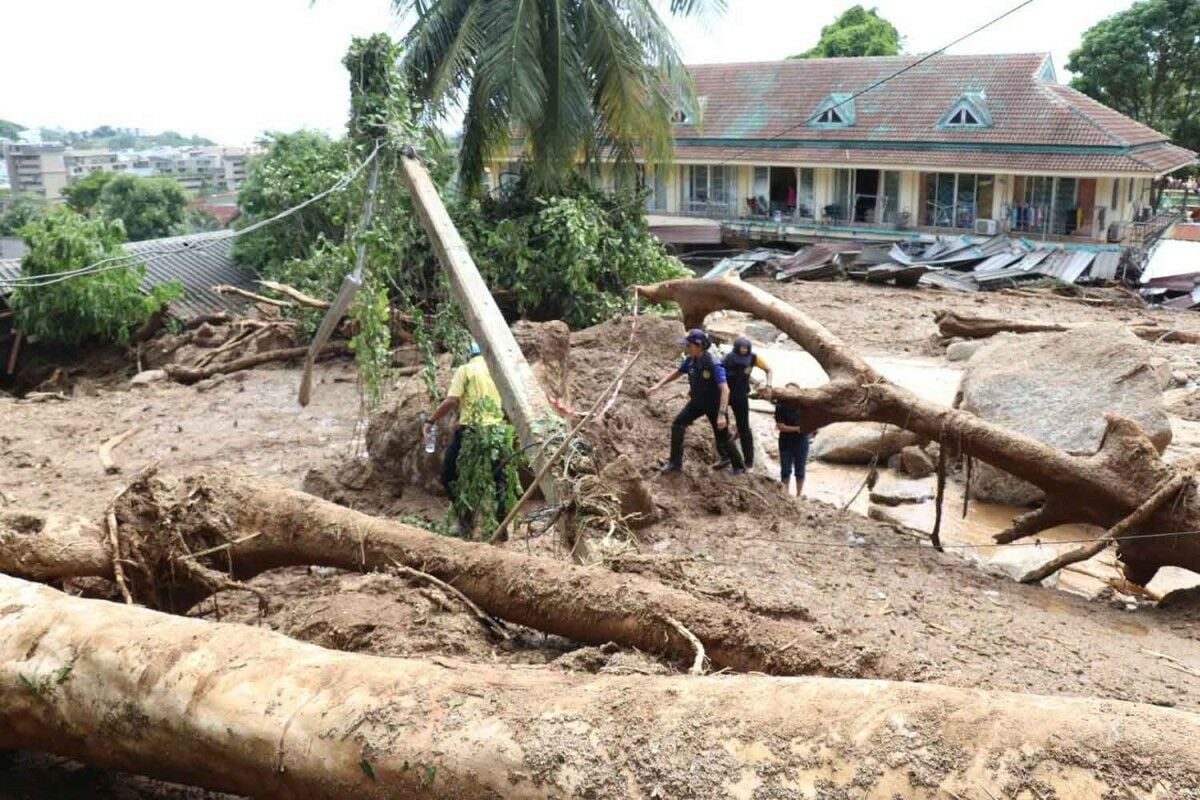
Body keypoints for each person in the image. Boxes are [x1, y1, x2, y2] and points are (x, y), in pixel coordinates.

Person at [423, 341, 507, 526]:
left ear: (468, 354)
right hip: (495, 431)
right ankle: (502, 525)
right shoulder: (496, 371)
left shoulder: (466, 369)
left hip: (470, 431)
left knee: (448, 475)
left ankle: (465, 519)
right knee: (498, 480)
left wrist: (431, 420)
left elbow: (451, 400)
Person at [645, 328, 745, 475]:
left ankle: (737, 465)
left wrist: (722, 414)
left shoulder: (713, 363)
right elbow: (677, 372)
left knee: (723, 436)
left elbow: (725, 389)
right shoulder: (691, 360)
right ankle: (675, 463)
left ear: (699, 346)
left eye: (689, 346)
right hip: (697, 403)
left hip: (715, 406)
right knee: (678, 424)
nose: (686, 349)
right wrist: (658, 385)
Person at [718, 336, 773, 471]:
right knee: (721, 427)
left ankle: (749, 463)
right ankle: (726, 457)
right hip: (725, 395)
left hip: (741, 396)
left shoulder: (754, 358)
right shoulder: (727, 359)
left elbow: (769, 370)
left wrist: (768, 386)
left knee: (744, 428)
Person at [775, 382, 809, 497]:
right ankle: (785, 495)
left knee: (800, 470)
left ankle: (799, 495)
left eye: (793, 391)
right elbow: (780, 426)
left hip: (801, 441)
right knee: (785, 470)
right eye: (788, 391)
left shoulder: (804, 406)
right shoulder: (780, 406)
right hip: (786, 441)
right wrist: (798, 429)